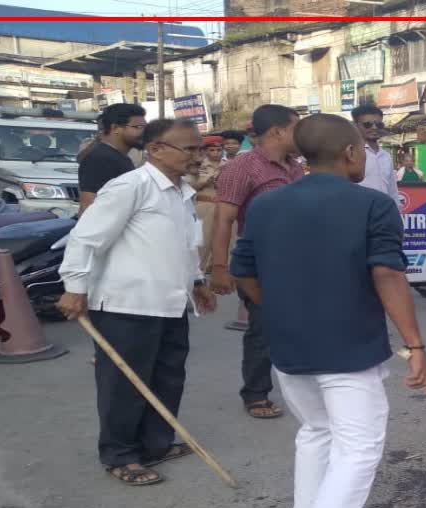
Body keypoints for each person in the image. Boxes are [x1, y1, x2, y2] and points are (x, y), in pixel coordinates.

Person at [230, 113, 426, 508]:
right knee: (360, 448)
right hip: (347, 347)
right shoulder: (372, 203)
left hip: (289, 345)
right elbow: (387, 272)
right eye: (361, 148)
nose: (364, 155)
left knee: (317, 432)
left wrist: (280, 315)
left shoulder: (270, 204)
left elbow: (245, 273)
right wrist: (416, 344)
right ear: (348, 152)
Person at [57, 119, 217, 486]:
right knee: (124, 384)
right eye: (189, 149)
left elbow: (185, 243)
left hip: (170, 303)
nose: (197, 156)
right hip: (126, 305)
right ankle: (120, 454)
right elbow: (85, 238)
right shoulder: (131, 186)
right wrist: (75, 286)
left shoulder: (181, 192)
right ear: (156, 149)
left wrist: (196, 281)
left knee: (167, 377)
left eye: (198, 148)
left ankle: (154, 444)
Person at [210, 104, 304, 420]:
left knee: (297, 325)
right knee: (263, 328)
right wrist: (220, 268)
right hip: (260, 264)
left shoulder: (296, 167)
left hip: (296, 262)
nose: (301, 134)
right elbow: (224, 219)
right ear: (277, 131)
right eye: (296, 127)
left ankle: (302, 386)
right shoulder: (243, 167)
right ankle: (255, 392)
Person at [77, 103, 147, 216]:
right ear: (115, 128)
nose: (144, 132)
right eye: (138, 127)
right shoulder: (100, 159)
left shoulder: (120, 157)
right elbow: (89, 207)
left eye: (145, 127)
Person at [188, 135, 225, 271]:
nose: (216, 153)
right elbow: (189, 186)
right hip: (204, 206)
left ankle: (218, 267)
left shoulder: (227, 164)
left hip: (223, 205)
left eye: (218, 149)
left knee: (223, 238)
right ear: (205, 151)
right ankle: (198, 270)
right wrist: (204, 182)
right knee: (203, 239)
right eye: (212, 150)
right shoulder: (198, 165)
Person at [351, 104, 400, 206]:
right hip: (360, 213)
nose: (374, 128)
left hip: (384, 214)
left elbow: (392, 191)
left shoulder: (386, 156)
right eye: (367, 124)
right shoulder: (351, 154)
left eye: (379, 124)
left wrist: (396, 214)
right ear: (356, 125)